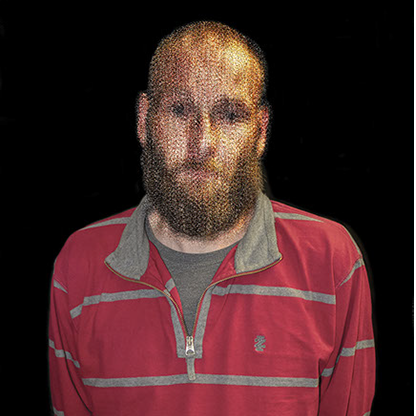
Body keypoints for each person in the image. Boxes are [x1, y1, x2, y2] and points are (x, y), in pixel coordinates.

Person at [48, 21, 375, 415]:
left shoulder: (333, 261)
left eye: (230, 115)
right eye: (179, 109)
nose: (202, 142)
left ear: (260, 132)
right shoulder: (78, 265)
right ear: (144, 119)